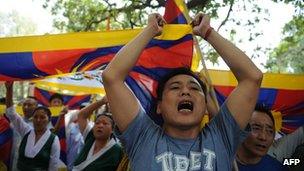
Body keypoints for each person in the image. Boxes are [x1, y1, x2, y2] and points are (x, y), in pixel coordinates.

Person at [102, 12, 263, 170]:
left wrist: (208, 32)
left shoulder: (222, 136)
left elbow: (252, 77)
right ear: (159, 106)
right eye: (175, 87)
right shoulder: (142, 137)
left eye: (194, 88)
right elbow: (112, 77)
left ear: (206, 105)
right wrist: (150, 30)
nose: (186, 91)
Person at [5, 82, 60, 171]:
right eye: (35, 117)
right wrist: (9, 89)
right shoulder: (27, 131)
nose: (38, 120)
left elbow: (53, 166)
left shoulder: (53, 139)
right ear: (32, 118)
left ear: (49, 120)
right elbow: (11, 113)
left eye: (42, 117)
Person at [72, 96, 123, 171]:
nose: (100, 125)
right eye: (97, 123)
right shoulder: (90, 136)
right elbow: (81, 115)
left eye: (105, 123)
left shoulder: (117, 151)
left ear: (112, 129)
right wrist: (102, 101)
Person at [236, 106, 288, 171]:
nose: (263, 137)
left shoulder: (278, 168)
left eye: (270, 131)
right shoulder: (222, 161)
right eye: (256, 128)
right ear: (241, 130)